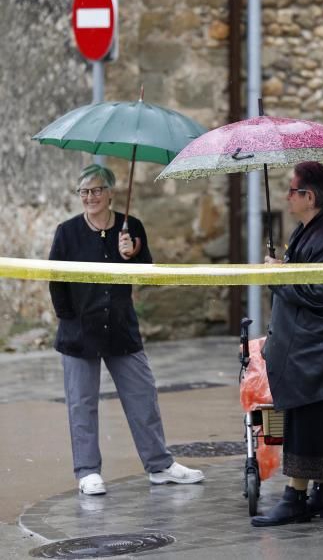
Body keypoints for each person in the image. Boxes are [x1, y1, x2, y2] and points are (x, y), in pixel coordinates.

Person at [49, 163, 204, 495]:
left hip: (120, 327)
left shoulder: (130, 226)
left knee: (142, 396)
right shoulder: (67, 232)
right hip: (79, 332)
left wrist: (131, 254)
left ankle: (159, 465)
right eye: (84, 192)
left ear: (110, 193)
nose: (90, 197)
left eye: (96, 190)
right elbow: (56, 282)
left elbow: (146, 272)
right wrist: (70, 318)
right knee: (82, 402)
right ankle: (88, 471)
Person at [251, 162, 323, 527]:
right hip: (312, 351)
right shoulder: (312, 230)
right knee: (315, 422)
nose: (287, 196)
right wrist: (282, 267)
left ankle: (296, 497)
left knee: (313, 424)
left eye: (292, 190)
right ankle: (322, 494)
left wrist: (279, 277)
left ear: (310, 196)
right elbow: (304, 275)